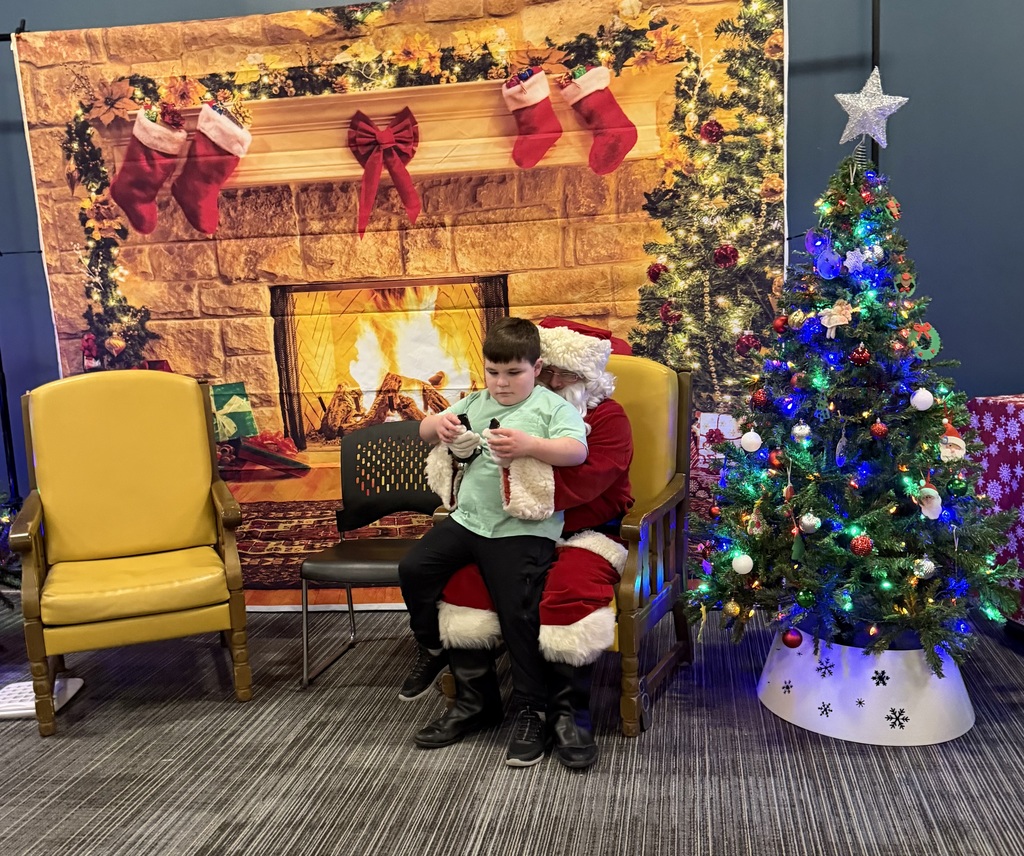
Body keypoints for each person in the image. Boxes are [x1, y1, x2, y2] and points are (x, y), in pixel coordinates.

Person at [430, 317, 635, 770]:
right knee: (464, 581)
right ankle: (476, 701)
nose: (557, 382)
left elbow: (592, 479)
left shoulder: (606, 417)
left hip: (586, 532)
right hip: (512, 531)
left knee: (569, 591)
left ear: (591, 378)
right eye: (551, 372)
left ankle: (566, 714)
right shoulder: (518, 406)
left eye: (570, 374)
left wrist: (522, 469)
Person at [397, 316, 589, 767]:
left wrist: (529, 445)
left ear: (537, 367)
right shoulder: (477, 402)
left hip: (522, 528)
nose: (502, 383)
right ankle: (432, 647)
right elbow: (425, 431)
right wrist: (438, 427)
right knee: (413, 569)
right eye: (493, 372)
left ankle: (532, 709)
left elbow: (576, 451)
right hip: (470, 521)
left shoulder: (551, 408)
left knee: (518, 612)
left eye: (514, 373)